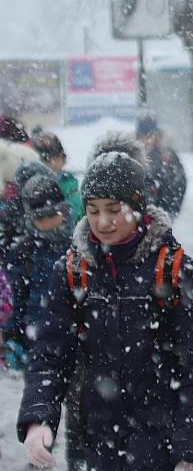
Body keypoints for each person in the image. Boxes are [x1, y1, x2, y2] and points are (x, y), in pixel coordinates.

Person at [17, 151, 193, 471]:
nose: (103, 221)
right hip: (101, 438)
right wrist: (39, 417)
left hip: (161, 440)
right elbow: (50, 352)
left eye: (114, 209)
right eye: (93, 210)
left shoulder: (173, 269)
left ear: (137, 207)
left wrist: (190, 449)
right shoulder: (73, 270)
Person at [4, 174, 85, 470]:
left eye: (53, 215)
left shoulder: (78, 248)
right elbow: (15, 300)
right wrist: (12, 335)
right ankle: (40, 452)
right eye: (41, 218)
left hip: (74, 343)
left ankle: (78, 459)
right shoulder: (24, 253)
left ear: (63, 211)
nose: (48, 223)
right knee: (41, 400)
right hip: (37, 343)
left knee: (78, 408)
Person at [136, 114, 187, 219]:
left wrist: (173, 207)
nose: (150, 139)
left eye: (153, 135)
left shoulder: (167, 154)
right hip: (141, 215)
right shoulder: (135, 156)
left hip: (165, 212)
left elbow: (180, 180)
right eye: (145, 136)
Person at [31, 132, 84, 223]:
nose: (51, 163)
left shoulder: (72, 189)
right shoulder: (31, 189)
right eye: (45, 160)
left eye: (55, 157)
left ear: (63, 159)